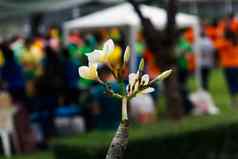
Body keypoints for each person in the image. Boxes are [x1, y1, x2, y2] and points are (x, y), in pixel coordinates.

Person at [215, 29, 238, 107]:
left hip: (228, 66)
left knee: (231, 84)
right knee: (235, 83)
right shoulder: (235, 42)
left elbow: (215, 45)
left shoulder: (225, 43)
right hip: (236, 65)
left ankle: (234, 101)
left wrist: (220, 37)